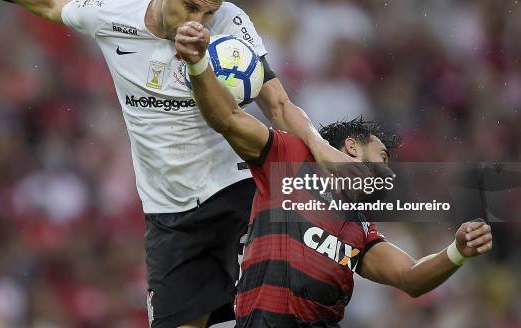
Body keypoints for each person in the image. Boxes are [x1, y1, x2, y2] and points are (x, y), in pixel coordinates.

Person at [0, 0, 367, 328]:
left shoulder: (230, 23)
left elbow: (276, 103)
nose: (199, 22)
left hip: (236, 192)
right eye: (190, 6)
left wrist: (323, 149)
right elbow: (52, 2)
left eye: (209, 13)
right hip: (169, 215)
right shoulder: (114, 15)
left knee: (273, 307)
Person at [174, 20, 494, 327]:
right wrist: (199, 64)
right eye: (381, 156)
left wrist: (456, 252)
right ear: (352, 147)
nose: (387, 169)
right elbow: (228, 119)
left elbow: (410, 277)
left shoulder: (361, 230)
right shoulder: (292, 159)